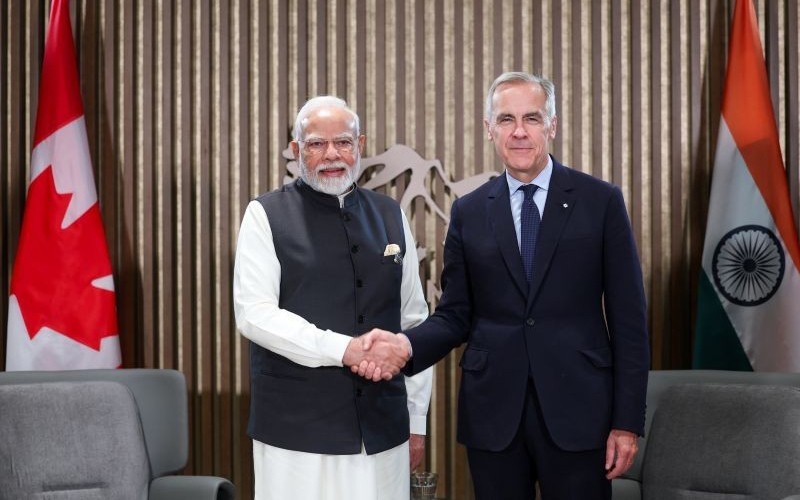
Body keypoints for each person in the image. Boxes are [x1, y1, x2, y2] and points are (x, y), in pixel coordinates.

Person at [357, 72, 650, 499]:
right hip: (494, 415)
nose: (519, 132)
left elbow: (629, 322)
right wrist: (405, 346)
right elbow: (455, 315)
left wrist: (626, 422)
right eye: (506, 119)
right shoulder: (469, 211)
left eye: (532, 118)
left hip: (580, 410)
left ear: (552, 125)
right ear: (489, 128)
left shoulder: (600, 201)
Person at [233, 95, 432, 500]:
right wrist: (344, 349)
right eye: (316, 144)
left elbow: (413, 322)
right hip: (295, 435)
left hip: (382, 430)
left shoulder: (391, 215)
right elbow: (255, 314)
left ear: (360, 146)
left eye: (343, 142)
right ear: (296, 150)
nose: (331, 155)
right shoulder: (264, 214)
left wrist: (416, 421)